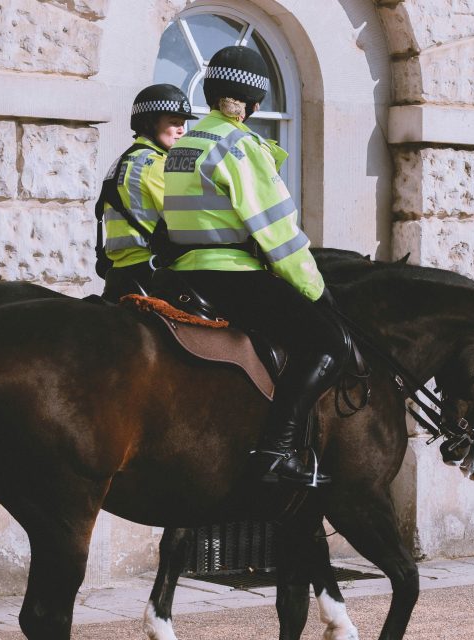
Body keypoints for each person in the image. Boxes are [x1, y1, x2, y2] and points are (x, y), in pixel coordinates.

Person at [162, 46, 349, 487]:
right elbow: (279, 235)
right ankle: (275, 451)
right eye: (257, 101)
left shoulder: (183, 146)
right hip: (232, 274)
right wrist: (317, 291)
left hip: (185, 273)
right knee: (329, 341)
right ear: (246, 102)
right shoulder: (240, 147)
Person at [98, 84, 197, 301]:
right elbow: (186, 221)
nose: (182, 129)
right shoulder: (157, 164)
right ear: (149, 123)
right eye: (174, 123)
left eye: (183, 123)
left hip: (118, 273)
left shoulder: (120, 162)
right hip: (151, 273)